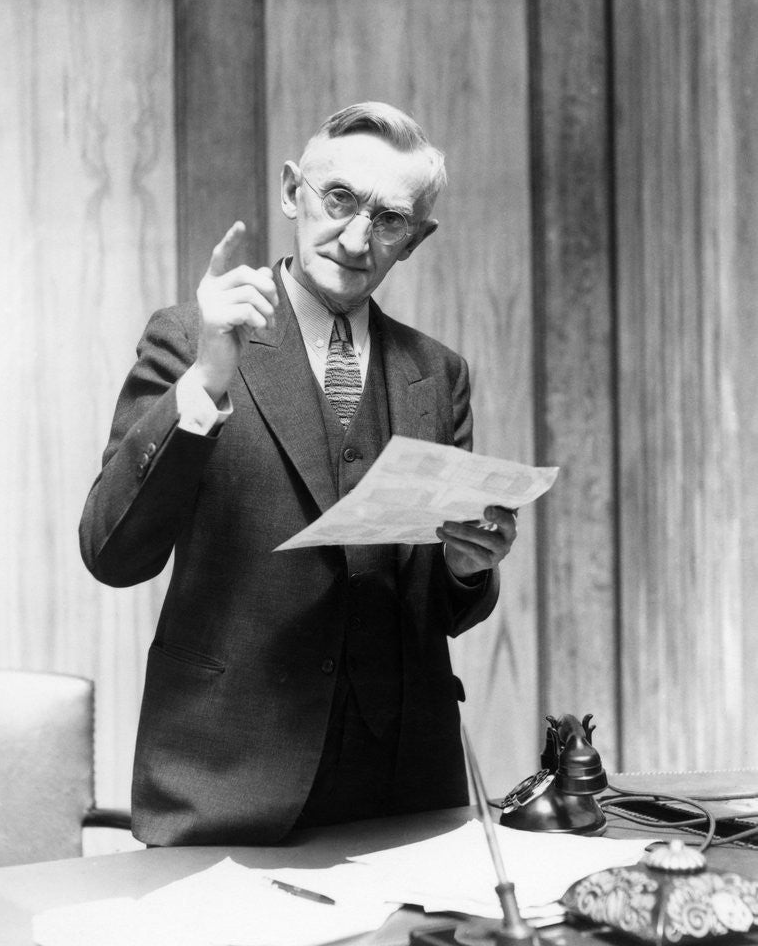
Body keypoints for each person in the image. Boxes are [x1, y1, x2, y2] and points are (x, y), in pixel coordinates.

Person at [79, 101, 518, 846]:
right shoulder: (189, 337)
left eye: (388, 219)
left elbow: (444, 608)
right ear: (292, 192)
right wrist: (206, 384)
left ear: (415, 238)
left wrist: (469, 567)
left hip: (402, 783)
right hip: (223, 778)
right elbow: (112, 554)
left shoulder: (437, 374)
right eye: (338, 200)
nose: (354, 238)